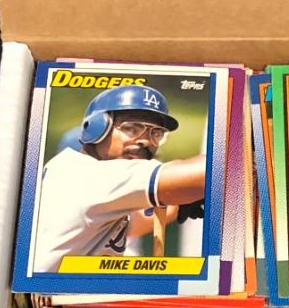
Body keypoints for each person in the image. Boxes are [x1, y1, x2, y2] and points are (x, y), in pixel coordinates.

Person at [34, 83, 206, 270]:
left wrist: (176, 197)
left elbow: (135, 224)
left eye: (156, 133)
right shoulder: (91, 175)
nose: (145, 141)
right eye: (131, 128)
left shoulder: (70, 172)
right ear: (97, 127)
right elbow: (208, 169)